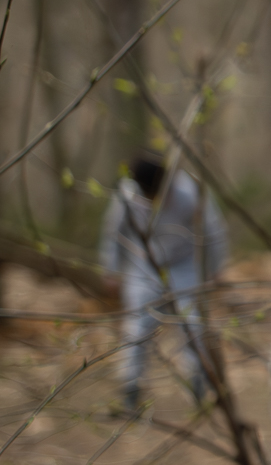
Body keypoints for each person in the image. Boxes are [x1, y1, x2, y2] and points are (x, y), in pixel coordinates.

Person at [98, 152, 229, 412]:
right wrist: (110, 270)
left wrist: (215, 268)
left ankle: (197, 383)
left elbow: (213, 230)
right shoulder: (127, 196)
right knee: (137, 328)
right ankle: (131, 390)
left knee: (191, 324)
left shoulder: (189, 191)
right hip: (143, 267)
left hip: (185, 266)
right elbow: (114, 233)